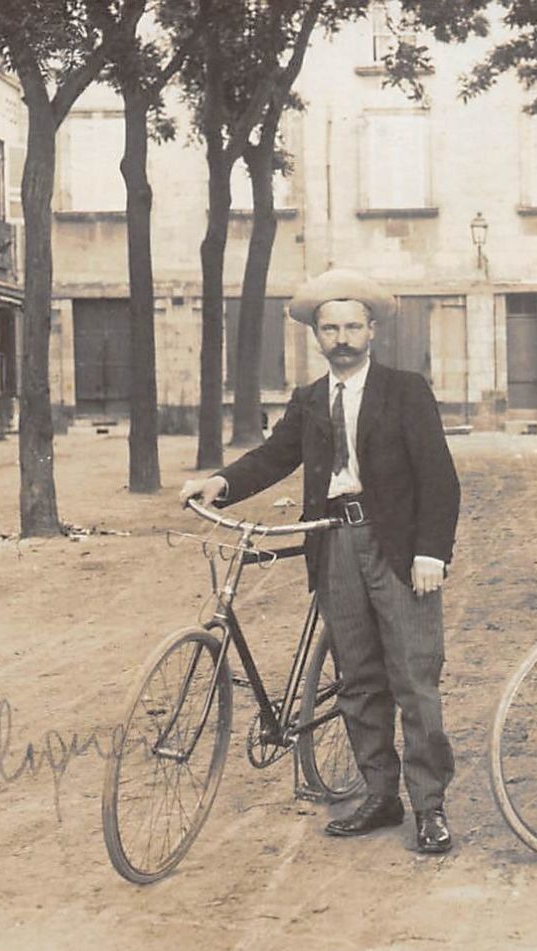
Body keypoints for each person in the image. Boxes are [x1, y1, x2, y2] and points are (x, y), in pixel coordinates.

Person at [179, 269, 462, 855]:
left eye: (352, 327)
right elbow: (274, 456)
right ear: (315, 335)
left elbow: (439, 478)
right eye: (329, 328)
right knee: (358, 679)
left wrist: (431, 551)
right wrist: (220, 483)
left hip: (399, 548)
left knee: (414, 679)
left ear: (372, 331)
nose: (341, 338)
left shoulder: (406, 390)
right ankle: (380, 795)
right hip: (332, 543)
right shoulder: (310, 399)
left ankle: (430, 806)